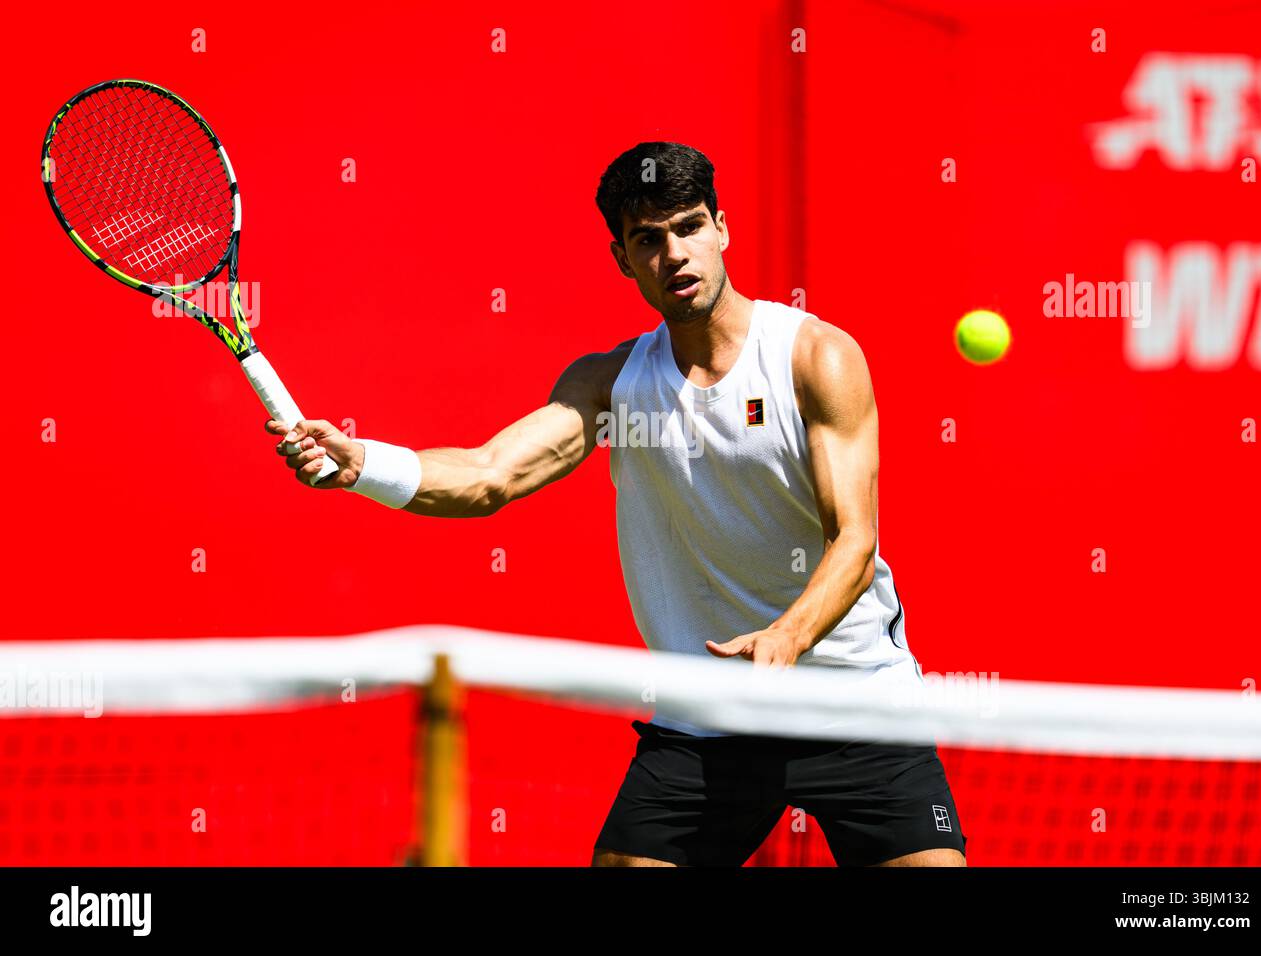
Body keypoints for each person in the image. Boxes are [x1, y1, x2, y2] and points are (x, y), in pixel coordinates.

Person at [268, 142, 967, 867]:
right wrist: (363, 464)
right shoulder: (611, 386)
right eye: (649, 239)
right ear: (622, 258)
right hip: (710, 715)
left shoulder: (814, 358)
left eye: (691, 227)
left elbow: (853, 541)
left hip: (856, 704)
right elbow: (487, 476)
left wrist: (784, 638)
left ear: (722, 228)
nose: (676, 254)